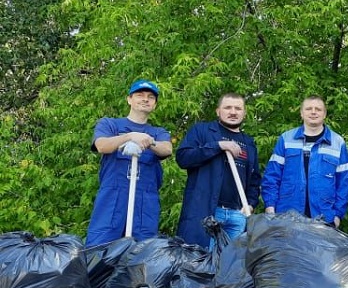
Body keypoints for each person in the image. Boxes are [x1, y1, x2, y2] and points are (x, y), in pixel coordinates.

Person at [85, 79, 174, 246]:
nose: (145, 99)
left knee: (143, 251)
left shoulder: (158, 132)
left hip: (145, 201)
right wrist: (129, 136)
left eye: (150, 97)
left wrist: (149, 141)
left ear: (154, 104)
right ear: (129, 99)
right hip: (112, 197)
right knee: (99, 248)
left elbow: (167, 149)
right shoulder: (110, 124)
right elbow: (102, 145)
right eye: (140, 95)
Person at [175, 93, 261, 248]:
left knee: (231, 266)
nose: (233, 112)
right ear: (218, 111)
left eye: (238, 108)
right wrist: (218, 146)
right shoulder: (202, 131)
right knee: (201, 264)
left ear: (244, 113)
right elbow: (183, 158)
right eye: (227, 107)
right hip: (208, 211)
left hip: (238, 215)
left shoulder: (249, 142)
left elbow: (254, 178)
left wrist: (251, 204)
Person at [262, 95, 348, 227]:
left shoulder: (337, 142)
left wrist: (337, 215)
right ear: (302, 113)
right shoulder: (286, 139)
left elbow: (343, 183)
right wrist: (270, 207)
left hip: (324, 217)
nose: (313, 112)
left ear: (324, 114)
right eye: (309, 108)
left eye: (318, 109)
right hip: (287, 215)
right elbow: (272, 176)